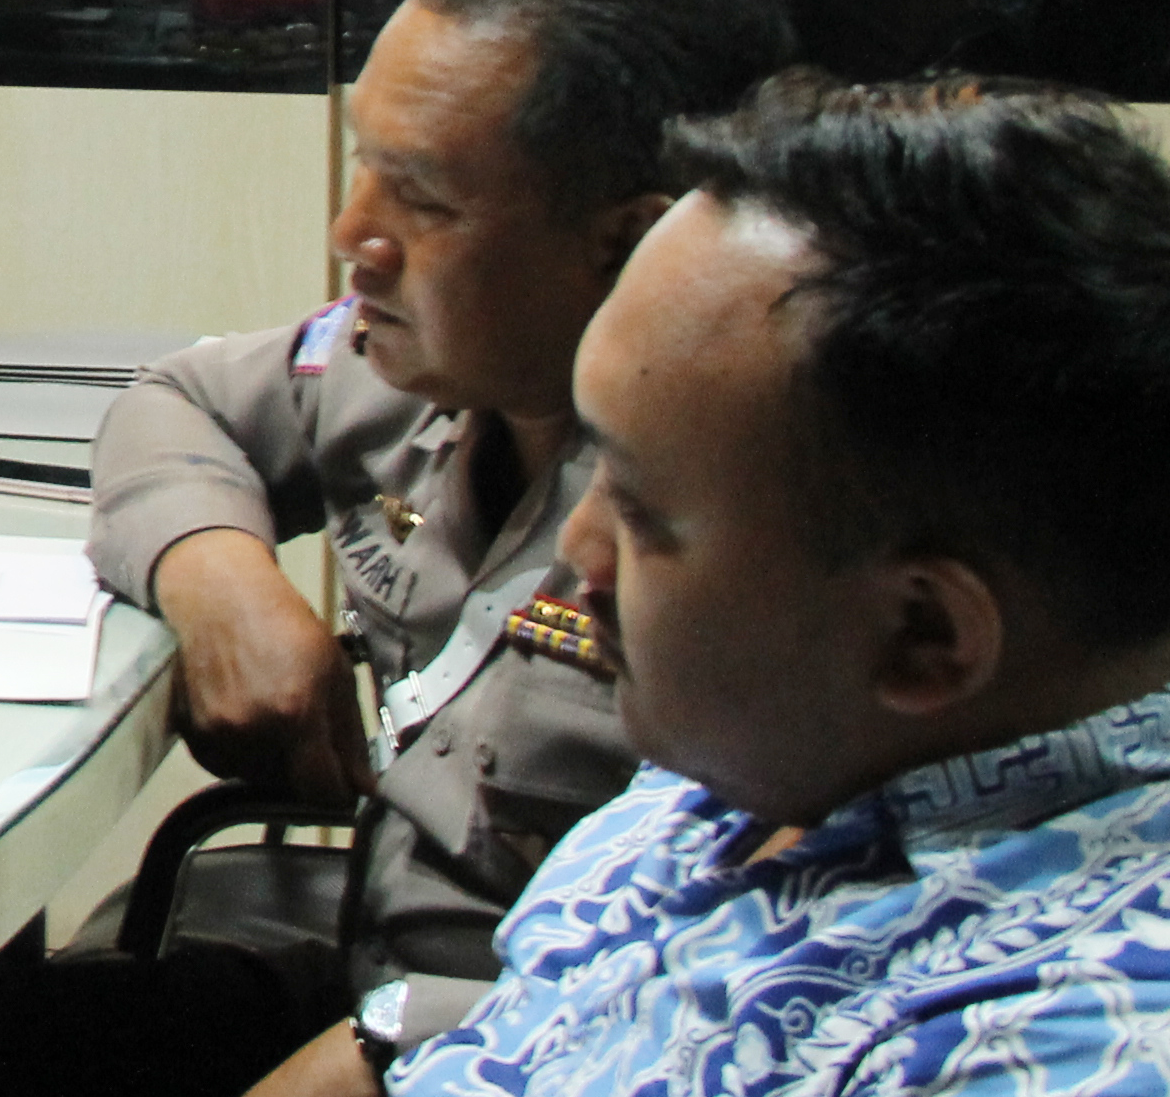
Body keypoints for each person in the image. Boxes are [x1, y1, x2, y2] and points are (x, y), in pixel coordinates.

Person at [0, 0, 795, 1097]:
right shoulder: (413, 361)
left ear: (629, 239)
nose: (353, 231)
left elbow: (764, 943)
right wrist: (219, 577)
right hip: (362, 987)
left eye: (425, 198)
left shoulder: (754, 512)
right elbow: (179, 403)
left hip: (544, 1045)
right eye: (366, 167)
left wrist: (400, 1045)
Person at [261, 76, 1170, 1095]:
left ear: (922, 633)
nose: (579, 541)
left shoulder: (1059, 1038)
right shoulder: (774, 746)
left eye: (644, 512)